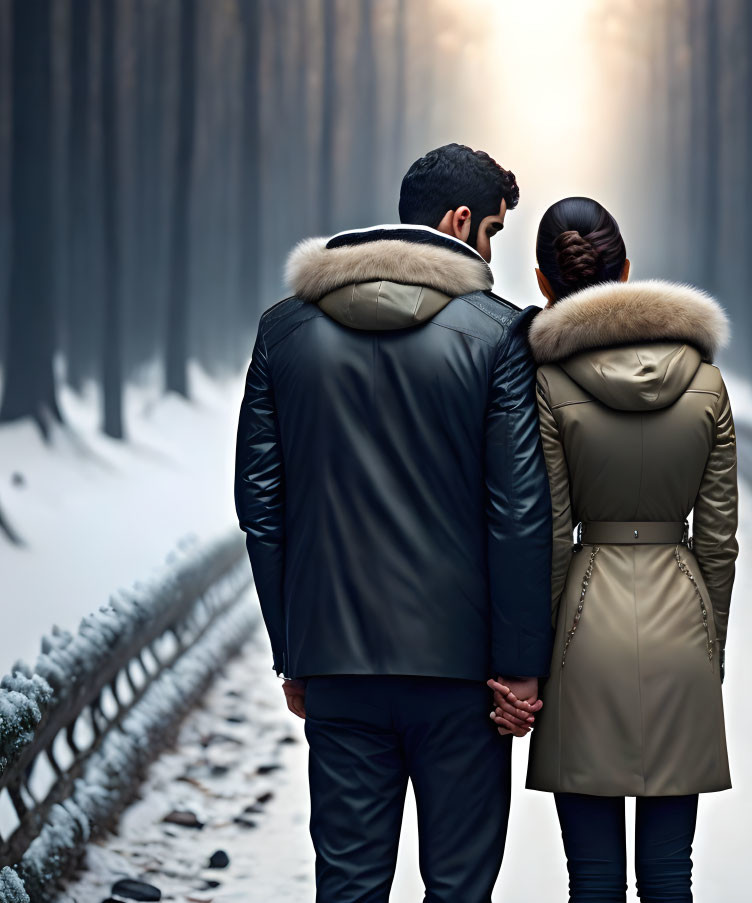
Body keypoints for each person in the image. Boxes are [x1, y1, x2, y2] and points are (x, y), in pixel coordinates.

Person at [234, 143, 553, 902]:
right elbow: (516, 509)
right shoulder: (499, 334)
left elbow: (262, 507)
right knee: (458, 886)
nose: (492, 251)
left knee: (347, 884)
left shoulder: (285, 331)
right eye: (494, 232)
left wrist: (295, 650)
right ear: (459, 220)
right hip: (462, 674)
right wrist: (516, 665)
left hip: (338, 662)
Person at [492, 196, 738, 902]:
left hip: (583, 626)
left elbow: (548, 534)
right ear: (627, 270)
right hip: (682, 623)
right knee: (669, 874)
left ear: (543, 283)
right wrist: (707, 645)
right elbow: (718, 539)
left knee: (592, 878)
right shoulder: (705, 380)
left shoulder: (546, 382)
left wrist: (534, 659)